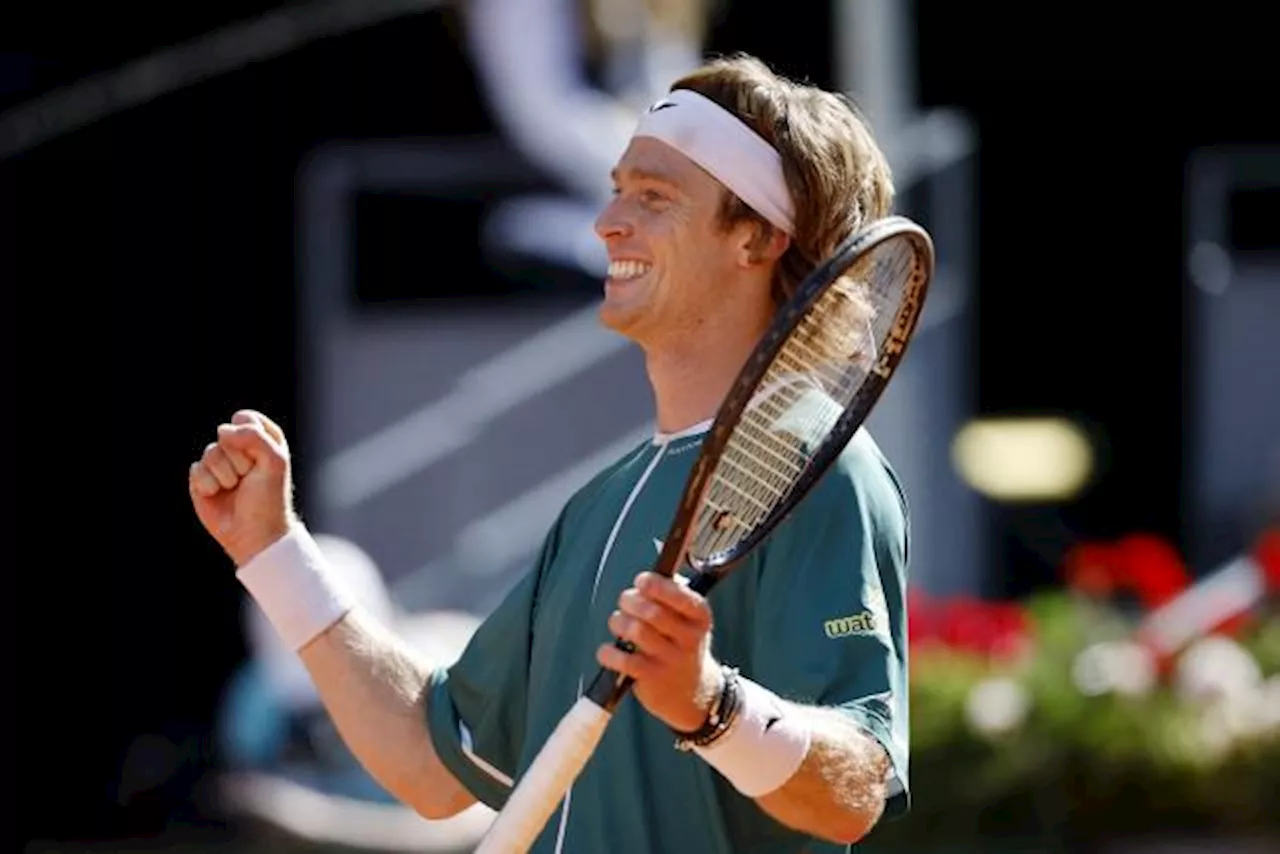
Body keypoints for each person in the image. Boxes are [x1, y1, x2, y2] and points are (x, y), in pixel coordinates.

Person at [189, 53, 911, 853]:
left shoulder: (825, 467)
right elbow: (432, 761)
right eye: (616, 190)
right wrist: (272, 550)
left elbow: (858, 789)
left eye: (653, 198)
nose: (608, 223)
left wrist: (712, 705)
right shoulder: (599, 506)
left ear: (757, 237)